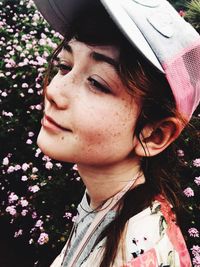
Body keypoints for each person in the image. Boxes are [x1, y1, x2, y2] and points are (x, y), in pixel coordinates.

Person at [33, 0, 200, 266]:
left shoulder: (141, 254)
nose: (53, 92)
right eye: (64, 66)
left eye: (97, 83)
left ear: (154, 134)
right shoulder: (111, 203)